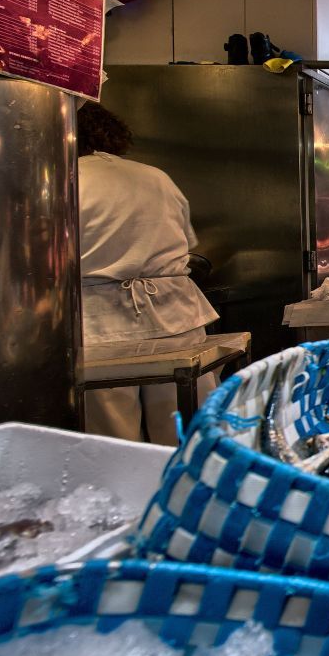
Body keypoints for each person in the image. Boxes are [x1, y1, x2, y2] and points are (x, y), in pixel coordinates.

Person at [77, 103, 221, 445]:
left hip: (101, 327)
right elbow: (186, 245)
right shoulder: (156, 176)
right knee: (185, 435)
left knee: (115, 443)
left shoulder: (63, 179)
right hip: (176, 319)